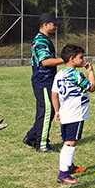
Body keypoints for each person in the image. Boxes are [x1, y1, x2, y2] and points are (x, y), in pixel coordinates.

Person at [52, 44, 95, 186]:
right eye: (81, 57)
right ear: (72, 59)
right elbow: (92, 87)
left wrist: (57, 111)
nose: (83, 59)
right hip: (76, 113)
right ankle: (63, 173)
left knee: (68, 139)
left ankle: (70, 166)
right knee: (70, 142)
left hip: (65, 112)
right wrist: (90, 71)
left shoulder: (59, 74)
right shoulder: (76, 74)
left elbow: (54, 94)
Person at [24, 13, 63, 152]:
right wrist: (66, 59)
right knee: (48, 111)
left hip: (45, 80)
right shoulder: (40, 41)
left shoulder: (43, 39)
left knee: (44, 111)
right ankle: (42, 144)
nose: (56, 26)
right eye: (54, 24)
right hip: (43, 81)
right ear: (45, 24)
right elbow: (45, 61)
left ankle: (31, 137)